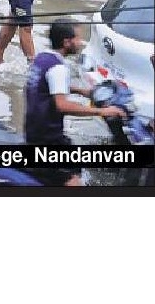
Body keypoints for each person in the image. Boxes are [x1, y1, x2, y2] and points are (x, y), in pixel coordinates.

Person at [26, 21, 125, 185]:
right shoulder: (59, 69)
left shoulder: (42, 59)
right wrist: (102, 112)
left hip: (35, 134)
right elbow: (62, 105)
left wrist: (82, 92)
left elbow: (46, 86)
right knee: (73, 183)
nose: (81, 42)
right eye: (78, 38)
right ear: (67, 42)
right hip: (48, 141)